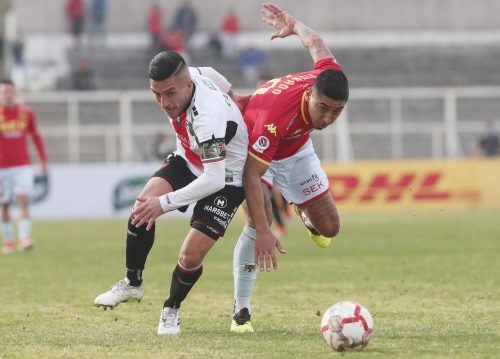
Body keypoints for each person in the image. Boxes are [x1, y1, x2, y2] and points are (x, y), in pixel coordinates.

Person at [94, 51, 249, 335]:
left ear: (188, 85)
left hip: (225, 177)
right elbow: (220, 81)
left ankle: (171, 310)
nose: (164, 103)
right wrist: (236, 100)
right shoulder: (200, 73)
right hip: (189, 158)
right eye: (156, 94)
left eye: (170, 93)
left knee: (190, 256)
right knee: (141, 209)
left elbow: (213, 179)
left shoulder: (209, 117)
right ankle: (132, 283)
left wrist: (163, 204)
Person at [230, 3, 349, 333]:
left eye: (335, 112)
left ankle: (302, 210)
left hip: (296, 150)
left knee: (330, 229)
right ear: (309, 93)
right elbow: (252, 174)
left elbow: (316, 44)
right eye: (322, 108)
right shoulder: (276, 115)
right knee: (258, 221)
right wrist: (266, 232)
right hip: (254, 147)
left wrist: (294, 23)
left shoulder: (331, 76)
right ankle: (241, 311)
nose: (326, 118)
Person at [0, 79, 48, 254]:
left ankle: (25, 239)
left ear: (16, 93)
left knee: (23, 201)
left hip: (22, 166)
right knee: (4, 204)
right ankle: (8, 242)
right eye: (4, 91)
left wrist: (43, 160)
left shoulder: (26, 113)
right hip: (2, 168)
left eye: (10, 91)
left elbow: (36, 137)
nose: (7, 95)